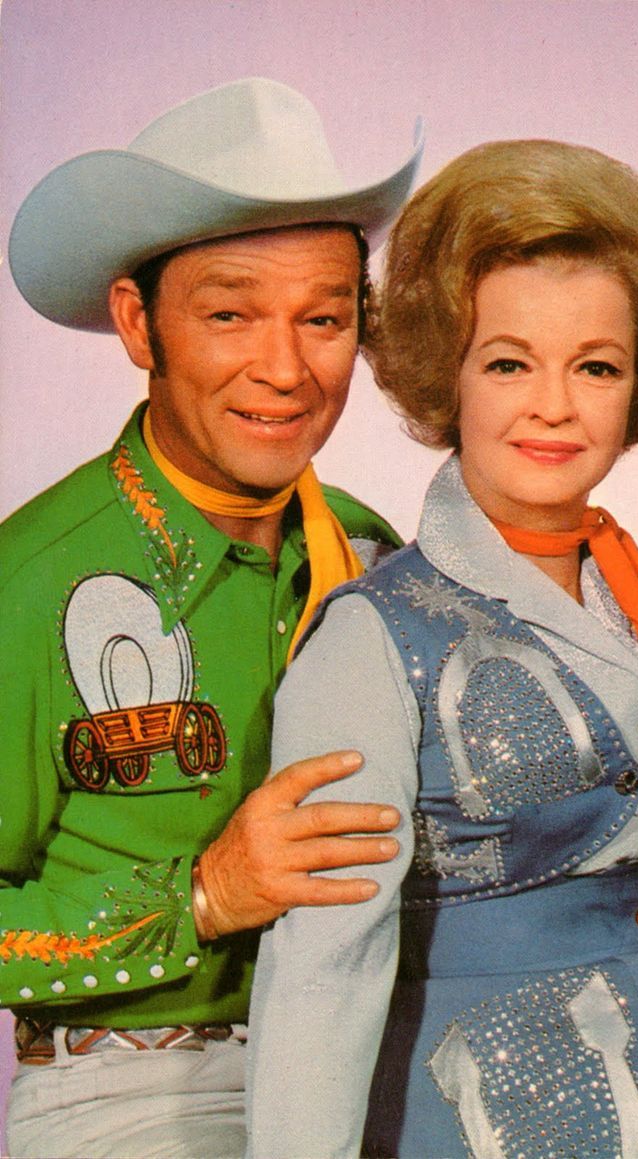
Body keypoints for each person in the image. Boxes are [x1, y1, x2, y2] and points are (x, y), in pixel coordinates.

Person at [245, 140, 638, 1158]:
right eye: (509, 362)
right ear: (448, 375)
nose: (554, 404)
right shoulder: (370, 636)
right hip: (477, 1119)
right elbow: (324, 971)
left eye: (594, 366)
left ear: (636, 383)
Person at [0, 77, 423, 1159]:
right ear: (138, 322)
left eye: (323, 318)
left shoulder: (374, 553)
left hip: (378, 1062)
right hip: (143, 1096)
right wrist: (197, 895)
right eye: (230, 313)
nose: (285, 370)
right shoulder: (27, 581)